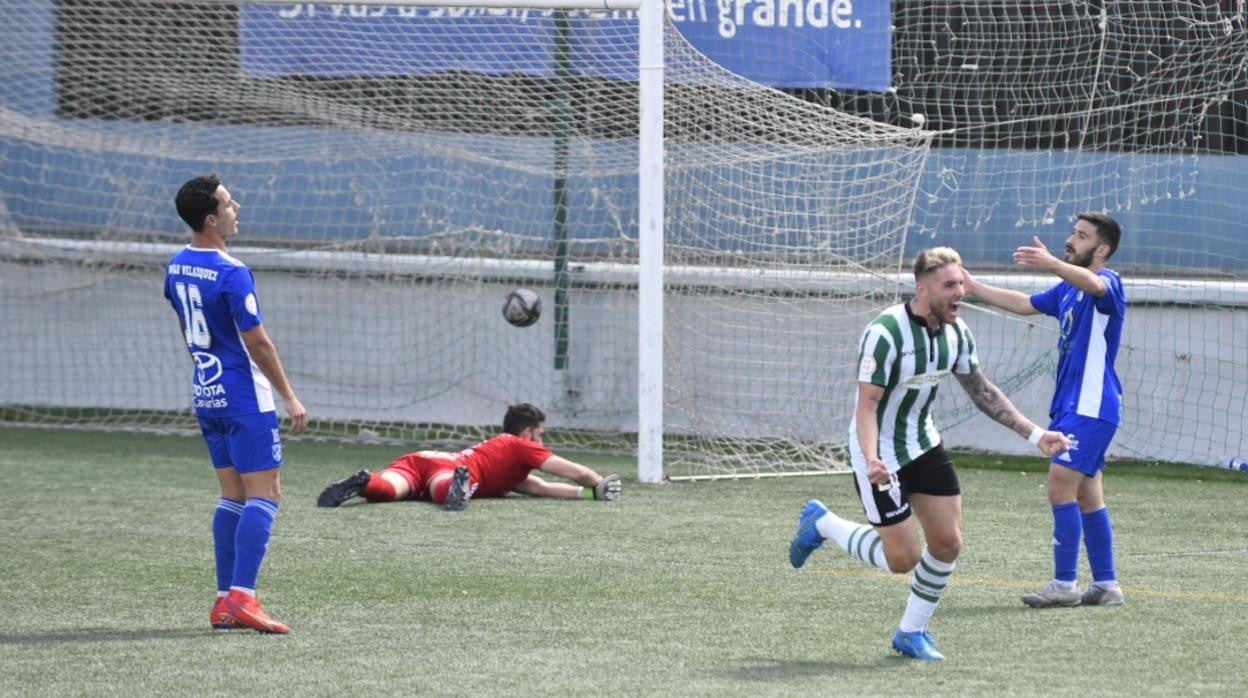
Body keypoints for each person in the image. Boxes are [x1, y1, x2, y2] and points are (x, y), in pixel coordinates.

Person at [787, 246, 1070, 661]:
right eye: (950, 285)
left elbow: (982, 391)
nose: (961, 292)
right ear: (923, 289)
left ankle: (910, 633)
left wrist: (1034, 435)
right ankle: (824, 523)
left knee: (949, 543)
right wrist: (871, 461)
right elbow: (866, 407)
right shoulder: (885, 333)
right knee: (903, 559)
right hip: (879, 451)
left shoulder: (957, 333)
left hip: (923, 444)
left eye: (962, 283)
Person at [165, 175, 308, 634]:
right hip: (246, 397)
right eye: (228, 203)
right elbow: (258, 342)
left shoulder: (177, 267)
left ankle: (226, 599)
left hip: (207, 394)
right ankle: (244, 596)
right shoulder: (232, 272)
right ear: (211, 219)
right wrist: (289, 395)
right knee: (266, 494)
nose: (237, 207)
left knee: (233, 496)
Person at [962, 212, 1126, 608]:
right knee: (1088, 497)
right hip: (1076, 407)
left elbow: (1096, 283)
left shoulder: (1109, 282)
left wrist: (1052, 262)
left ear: (1101, 250)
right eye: (1073, 233)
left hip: (1089, 407)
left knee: (1059, 486)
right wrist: (971, 285)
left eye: (1082, 236)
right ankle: (1106, 585)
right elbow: (1022, 303)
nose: (1072, 240)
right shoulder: (1066, 290)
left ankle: (1065, 585)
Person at [317, 403, 622, 509]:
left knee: (390, 490)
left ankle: (365, 480)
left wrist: (592, 496)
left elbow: (542, 488)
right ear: (527, 433)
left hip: (420, 459)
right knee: (445, 487)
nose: (543, 442)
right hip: (453, 468)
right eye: (541, 435)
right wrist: (599, 482)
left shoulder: (508, 468)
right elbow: (573, 472)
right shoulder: (521, 446)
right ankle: (457, 490)